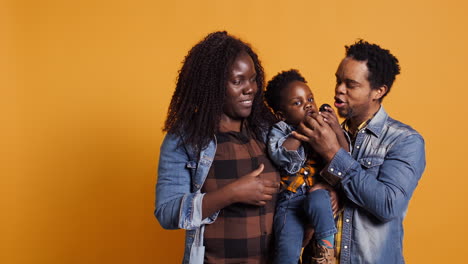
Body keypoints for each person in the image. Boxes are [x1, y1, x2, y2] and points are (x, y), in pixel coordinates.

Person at [294, 40, 426, 264]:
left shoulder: (405, 141)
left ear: (378, 91)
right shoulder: (321, 132)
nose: (339, 89)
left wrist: (333, 154)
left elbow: (387, 205)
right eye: (338, 80)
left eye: (350, 84)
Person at [154, 31, 281, 264]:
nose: (250, 88)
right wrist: (232, 193)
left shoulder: (267, 129)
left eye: (253, 79)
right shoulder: (186, 139)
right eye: (237, 81)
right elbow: (167, 211)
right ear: (212, 86)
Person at [264, 69, 348, 264]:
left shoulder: (324, 128)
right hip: (290, 200)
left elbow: (344, 157)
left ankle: (326, 251)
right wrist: (301, 131)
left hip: (316, 191)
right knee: (287, 247)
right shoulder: (280, 130)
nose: (308, 105)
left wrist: (335, 128)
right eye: (298, 103)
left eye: (310, 99)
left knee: (319, 200)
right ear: (281, 115)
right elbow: (280, 155)